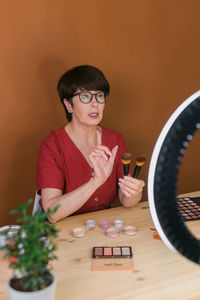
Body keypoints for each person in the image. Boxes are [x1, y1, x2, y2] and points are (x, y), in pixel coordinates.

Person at [36, 65, 145, 223]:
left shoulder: (115, 140)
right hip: (63, 229)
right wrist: (95, 182)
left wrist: (134, 193)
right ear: (68, 105)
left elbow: (126, 201)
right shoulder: (52, 146)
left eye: (100, 96)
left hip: (101, 225)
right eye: (85, 97)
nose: (95, 104)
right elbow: (52, 213)